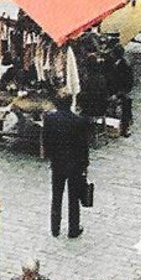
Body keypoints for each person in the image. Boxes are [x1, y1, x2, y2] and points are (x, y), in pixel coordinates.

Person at [41, 93, 91, 238]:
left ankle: (55, 228)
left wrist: (50, 155)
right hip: (74, 164)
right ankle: (73, 228)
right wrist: (85, 165)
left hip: (57, 163)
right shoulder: (78, 121)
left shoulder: (50, 119)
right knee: (73, 198)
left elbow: (46, 139)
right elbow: (83, 146)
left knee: (56, 196)